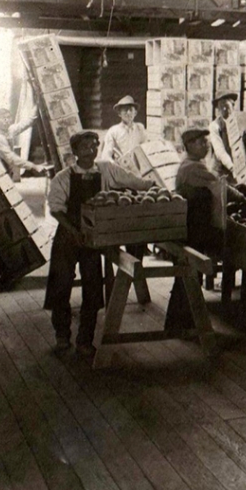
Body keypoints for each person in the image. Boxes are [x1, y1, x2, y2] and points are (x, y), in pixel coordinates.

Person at [44, 131, 154, 357]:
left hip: (93, 237)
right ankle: (62, 335)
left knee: (93, 288)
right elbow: (56, 209)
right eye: (85, 147)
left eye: (94, 146)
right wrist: (74, 231)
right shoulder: (63, 178)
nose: (91, 151)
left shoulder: (105, 169)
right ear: (74, 152)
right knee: (61, 284)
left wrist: (152, 185)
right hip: (67, 235)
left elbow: (132, 181)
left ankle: (85, 339)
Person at [166, 128, 246, 329]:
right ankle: (180, 324)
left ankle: (181, 323)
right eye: (201, 142)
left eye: (206, 141)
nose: (206, 145)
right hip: (193, 227)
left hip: (193, 226)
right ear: (189, 146)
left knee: (187, 275)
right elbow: (218, 185)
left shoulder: (193, 164)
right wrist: (243, 197)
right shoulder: (192, 167)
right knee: (188, 275)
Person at [0, 107, 43, 179]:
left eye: (8, 117)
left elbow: (25, 124)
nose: (6, 120)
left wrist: (37, 106)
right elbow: (11, 158)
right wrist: (33, 166)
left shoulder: (9, 130)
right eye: (2, 118)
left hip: (3, 169)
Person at [98, 95, 148, 162]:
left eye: (130, 110)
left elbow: (146, 149)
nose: (128, 113)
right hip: (121, 166)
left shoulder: (140, 128)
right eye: (125, 110)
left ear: (135, 113)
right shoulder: (113, 131)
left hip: (139, 167)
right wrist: (115, 166)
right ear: (119, 113)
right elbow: (106, 155)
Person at [207, 91, 240, 179]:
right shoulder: (214, 126)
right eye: (222, 106)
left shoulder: (237, 124)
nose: (226, 110)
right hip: (219, 171)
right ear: (218, 109)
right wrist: (232, 168)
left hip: (236, 169)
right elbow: (220, 151)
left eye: (229, 106)